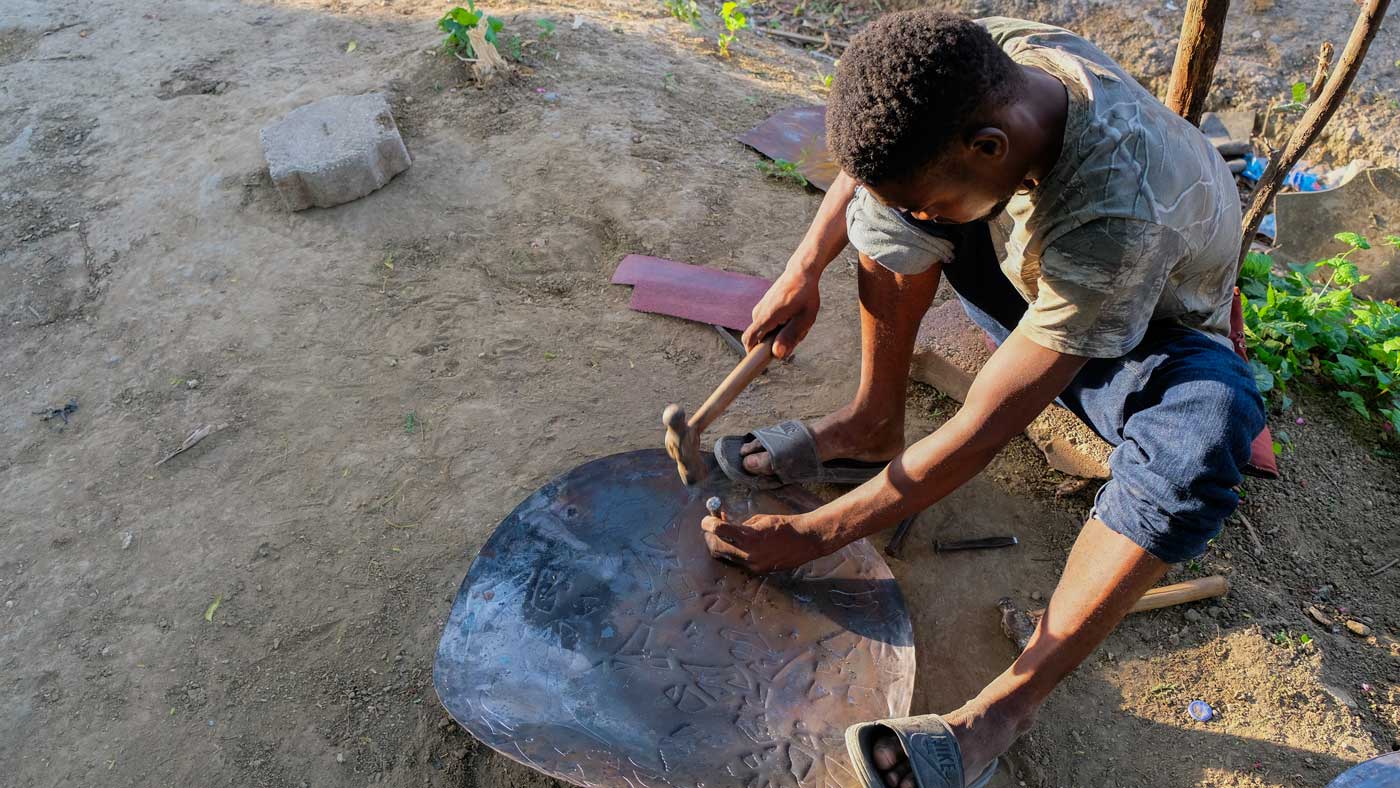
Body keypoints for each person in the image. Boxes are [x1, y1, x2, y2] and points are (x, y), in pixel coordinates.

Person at [699, 11, 1265, 788]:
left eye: (931, 204)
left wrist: (813, 534)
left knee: (1208, 428)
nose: (922, 217)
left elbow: (989, 421)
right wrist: (803, 269)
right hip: (1032, 277)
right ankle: (872, 423)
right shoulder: (984, 63)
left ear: (991, 148)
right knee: (891, 210)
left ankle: (1006, 707)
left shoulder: (1119, 207)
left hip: (1143, 334)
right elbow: (880, 176)